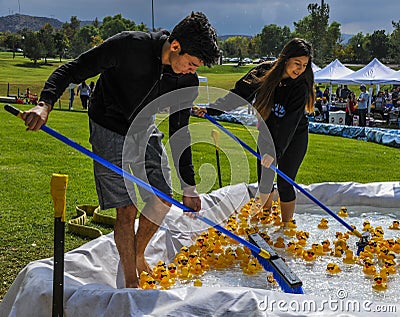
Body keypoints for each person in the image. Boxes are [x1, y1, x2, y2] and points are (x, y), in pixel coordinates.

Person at [20, 11, 220, 288]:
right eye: (191, 63)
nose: (192, 71)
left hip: (143, 126)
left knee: (163, 198)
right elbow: (72, 69)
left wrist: (189, 185)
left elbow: (180, 131)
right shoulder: (129, 45)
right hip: (108, 124)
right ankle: (130, 279)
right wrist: (44, 104)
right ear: (175, 46)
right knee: (125, 210)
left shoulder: (186, 81)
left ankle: (137, 256)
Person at [196, 38, 315, 227]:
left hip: (293, 138)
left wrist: (275, 152)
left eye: (304, 66)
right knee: (265, 182)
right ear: (286, 59)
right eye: (297, 64)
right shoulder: (263, 72)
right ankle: (265, 224)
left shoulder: (300, 86)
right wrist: (212, 110)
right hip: (267, 134)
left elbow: (289, 125)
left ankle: (286, 228)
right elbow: (238, 95)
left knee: (285, 183)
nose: (299, 69)